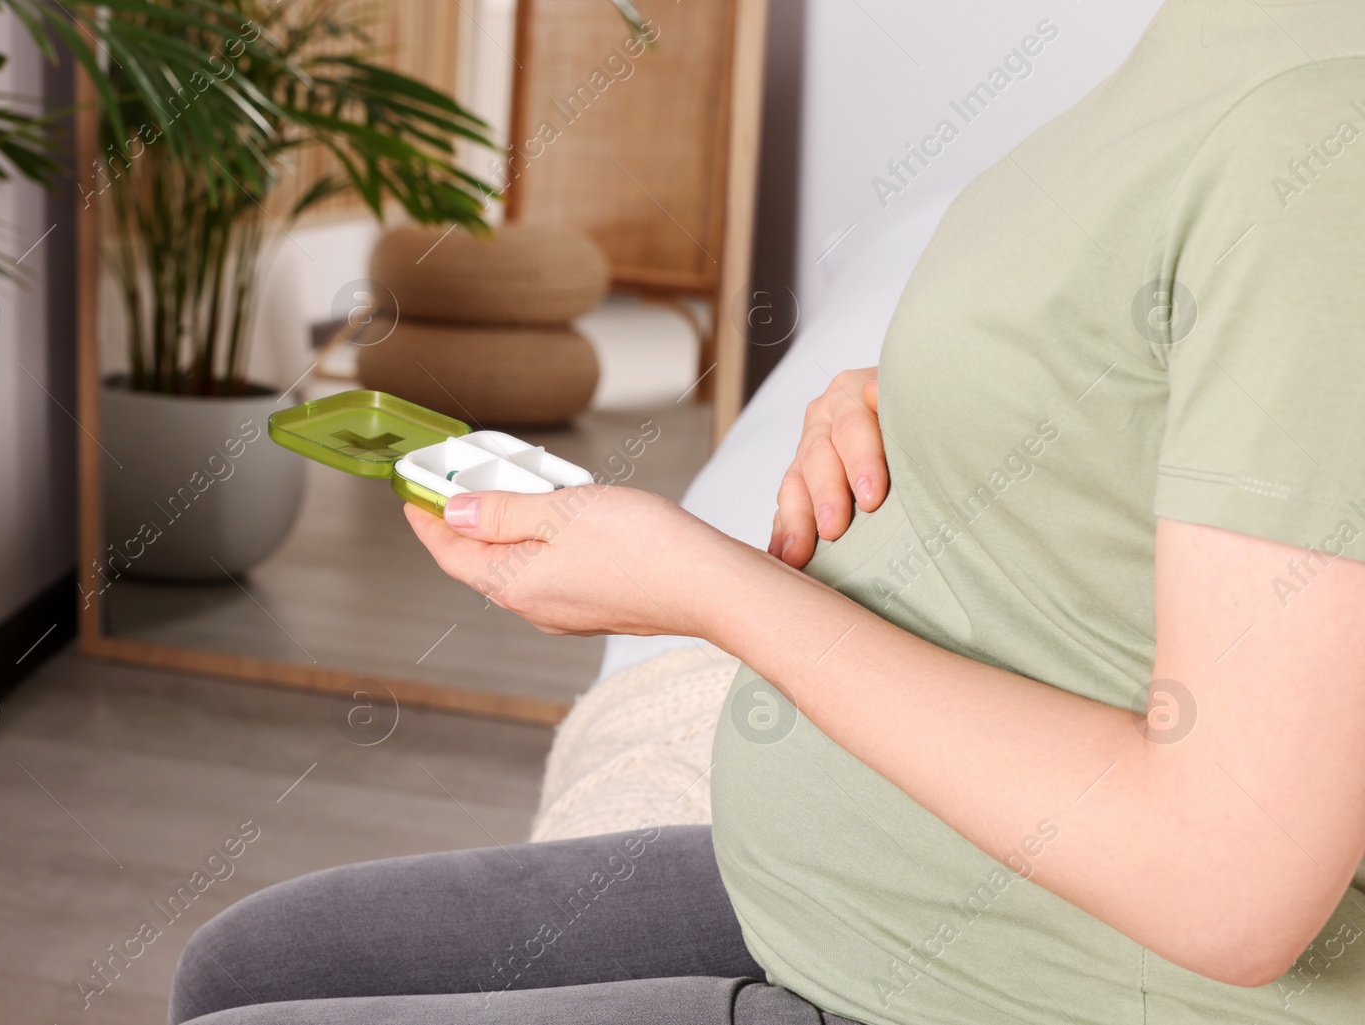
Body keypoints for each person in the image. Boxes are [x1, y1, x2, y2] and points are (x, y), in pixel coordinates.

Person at [169, 2, 1365, 1022]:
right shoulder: (1224, 42)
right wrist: (948, 398)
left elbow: (1231, 881)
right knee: (241, 964)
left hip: (1006, 977)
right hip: (851, 887)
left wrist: (709, 587)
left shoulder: (1321, 126)